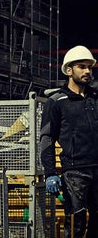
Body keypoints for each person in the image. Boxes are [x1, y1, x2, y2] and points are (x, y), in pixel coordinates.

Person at [40, 45, 98, 238]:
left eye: (90, 67)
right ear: (69, 70)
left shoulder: (95, 98)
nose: (87, 71)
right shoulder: (57, 102)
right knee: (76, 223)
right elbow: (47, 138)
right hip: (75, 172)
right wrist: (50, 173)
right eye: (82, 66)